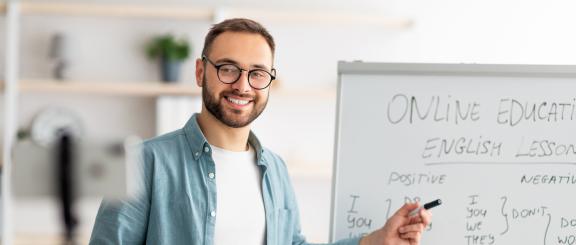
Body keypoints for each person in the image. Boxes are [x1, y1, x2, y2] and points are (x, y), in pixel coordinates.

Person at [90, 18, 431, 245]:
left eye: (257, 73)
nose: (242, 85)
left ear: (269, 81)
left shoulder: (275, 169)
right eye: (228, 69)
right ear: (199, 72)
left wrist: (375, 240)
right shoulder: (142, 163)